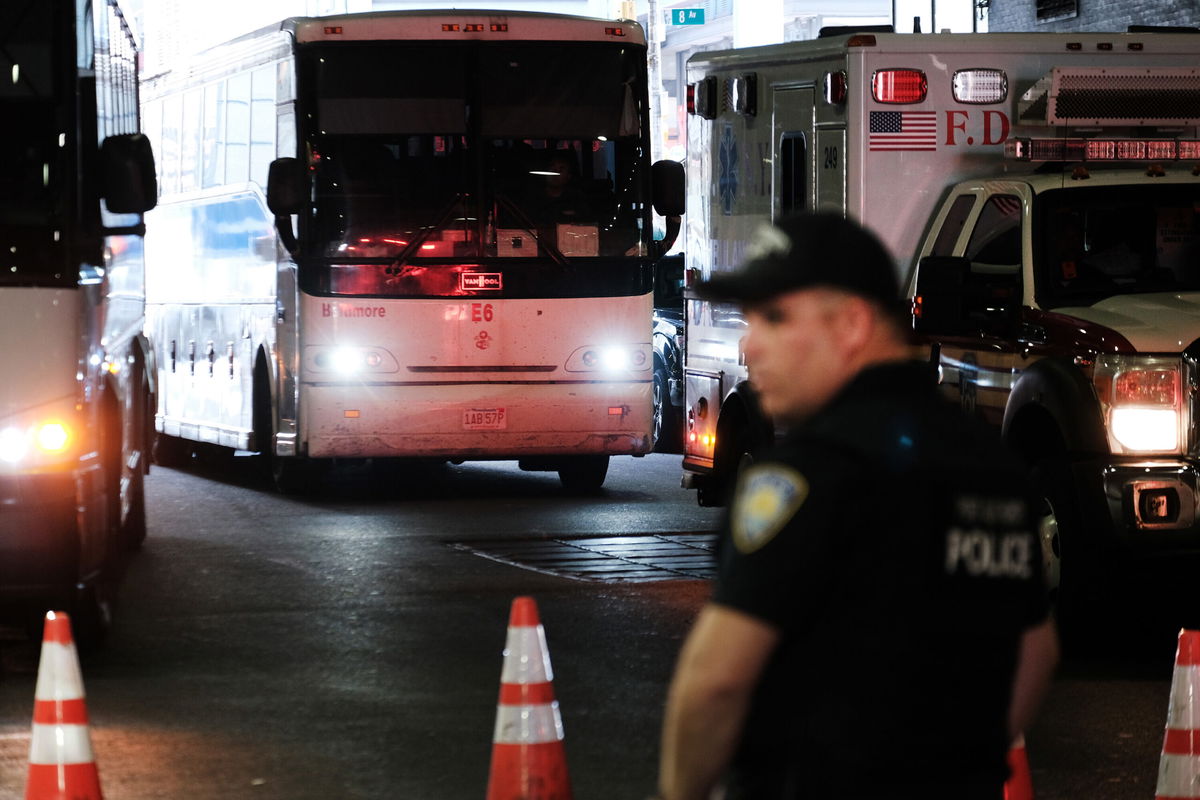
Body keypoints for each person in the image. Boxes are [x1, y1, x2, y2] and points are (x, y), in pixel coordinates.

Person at [654, 213, 1058, 800]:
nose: (749, 343)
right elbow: (1036, 651)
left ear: (850, 325)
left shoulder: (805, 475)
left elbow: (717, 679)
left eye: (775, 317)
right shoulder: (992, 468)